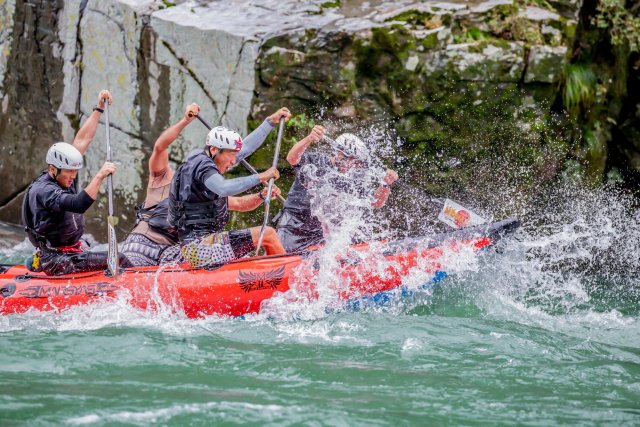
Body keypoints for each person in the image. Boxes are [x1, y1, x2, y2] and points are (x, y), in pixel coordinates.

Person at [22, 90, 133, 276]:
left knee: (97, 247)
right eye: (69, 172)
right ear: (52, 169)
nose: (73, 176)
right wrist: (100, 175)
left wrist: (99, 108)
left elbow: (83, 139)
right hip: (58, 259)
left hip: (73, 248)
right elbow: (78, 204)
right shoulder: (45, 191)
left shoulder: (63, 174)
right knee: (119, 258)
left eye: (75, 170)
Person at [166, 110, 291, 268]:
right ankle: (290, 276)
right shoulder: (202, 166)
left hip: (204, 245)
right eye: (231, 155)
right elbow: (224, 188)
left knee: (267, 237)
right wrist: (261, 177)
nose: (234, 161)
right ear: (213, 150)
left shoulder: (204, 170)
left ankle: (275, 272)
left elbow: (239, 202)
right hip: (198, 248)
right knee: (268, 234)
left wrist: (269, 122)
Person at [277, 130, 399, 252]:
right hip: (293, 227)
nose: (352, 165)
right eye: (351, 160)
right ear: (339, 153)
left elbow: (376, 203)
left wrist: (385, 184)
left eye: (356, 162)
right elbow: (292, 158)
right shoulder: (316, 161)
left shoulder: (350, 180)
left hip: (319, 234)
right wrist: (309, 138)